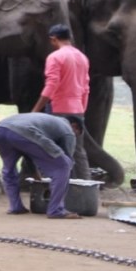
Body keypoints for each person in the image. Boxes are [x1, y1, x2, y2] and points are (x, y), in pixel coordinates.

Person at [0, 112, 84, 219]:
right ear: (75, 126)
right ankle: (56, 210)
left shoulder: (47, 121)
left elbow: (28, 152)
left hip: (0, 129)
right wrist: (64, 180)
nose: (75, 136)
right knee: (64, 165)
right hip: (24, 132)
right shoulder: (68, 129)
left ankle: (15, 207)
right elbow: (67, 158)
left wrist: (35, 173)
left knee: (9, 169)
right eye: (77, 134)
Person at [31, 23, 91, 178]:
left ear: (53, 39)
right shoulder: (82, 57)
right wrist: (81, 109)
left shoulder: (55, 57)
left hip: (58, 109)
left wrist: (35, 110)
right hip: (77, 109)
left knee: (53, 149)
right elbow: (86, 87)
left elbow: (51, 85)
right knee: (77, 151)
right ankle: (85, 192)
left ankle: (53, 190)